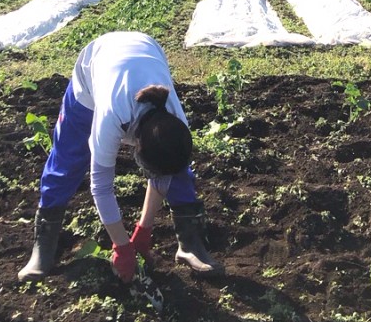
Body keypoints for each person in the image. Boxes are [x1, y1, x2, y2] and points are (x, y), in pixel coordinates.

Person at [18, 31, 224, 284]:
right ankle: (44, 247)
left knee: (175, 162)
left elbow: (163, 174)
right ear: (135, 145)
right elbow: (101, 187)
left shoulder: (174, 118)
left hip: (145, 51)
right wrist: (121, 246)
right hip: (95, 66)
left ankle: (190, 244)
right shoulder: (111, 117)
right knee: (68, 158)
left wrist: (143, 229)